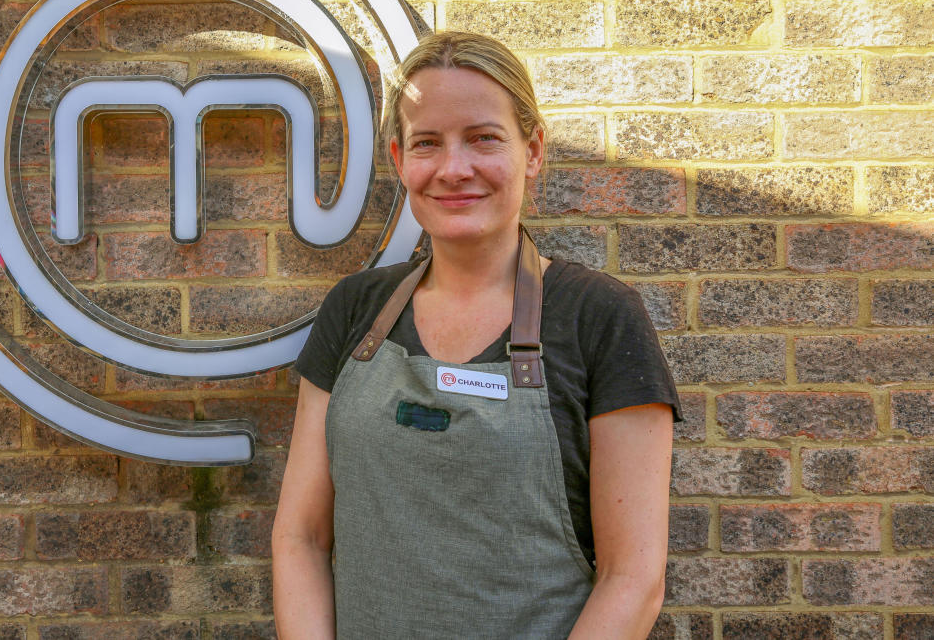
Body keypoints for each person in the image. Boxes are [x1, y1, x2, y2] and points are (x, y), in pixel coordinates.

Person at [271, 31, 681, 639]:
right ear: (398, 159)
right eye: (427, 143)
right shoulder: (356, 310)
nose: (453, 169)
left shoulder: (599, 317)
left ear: (533, 151)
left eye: (484, 139)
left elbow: (633, 578)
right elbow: (299, 538)